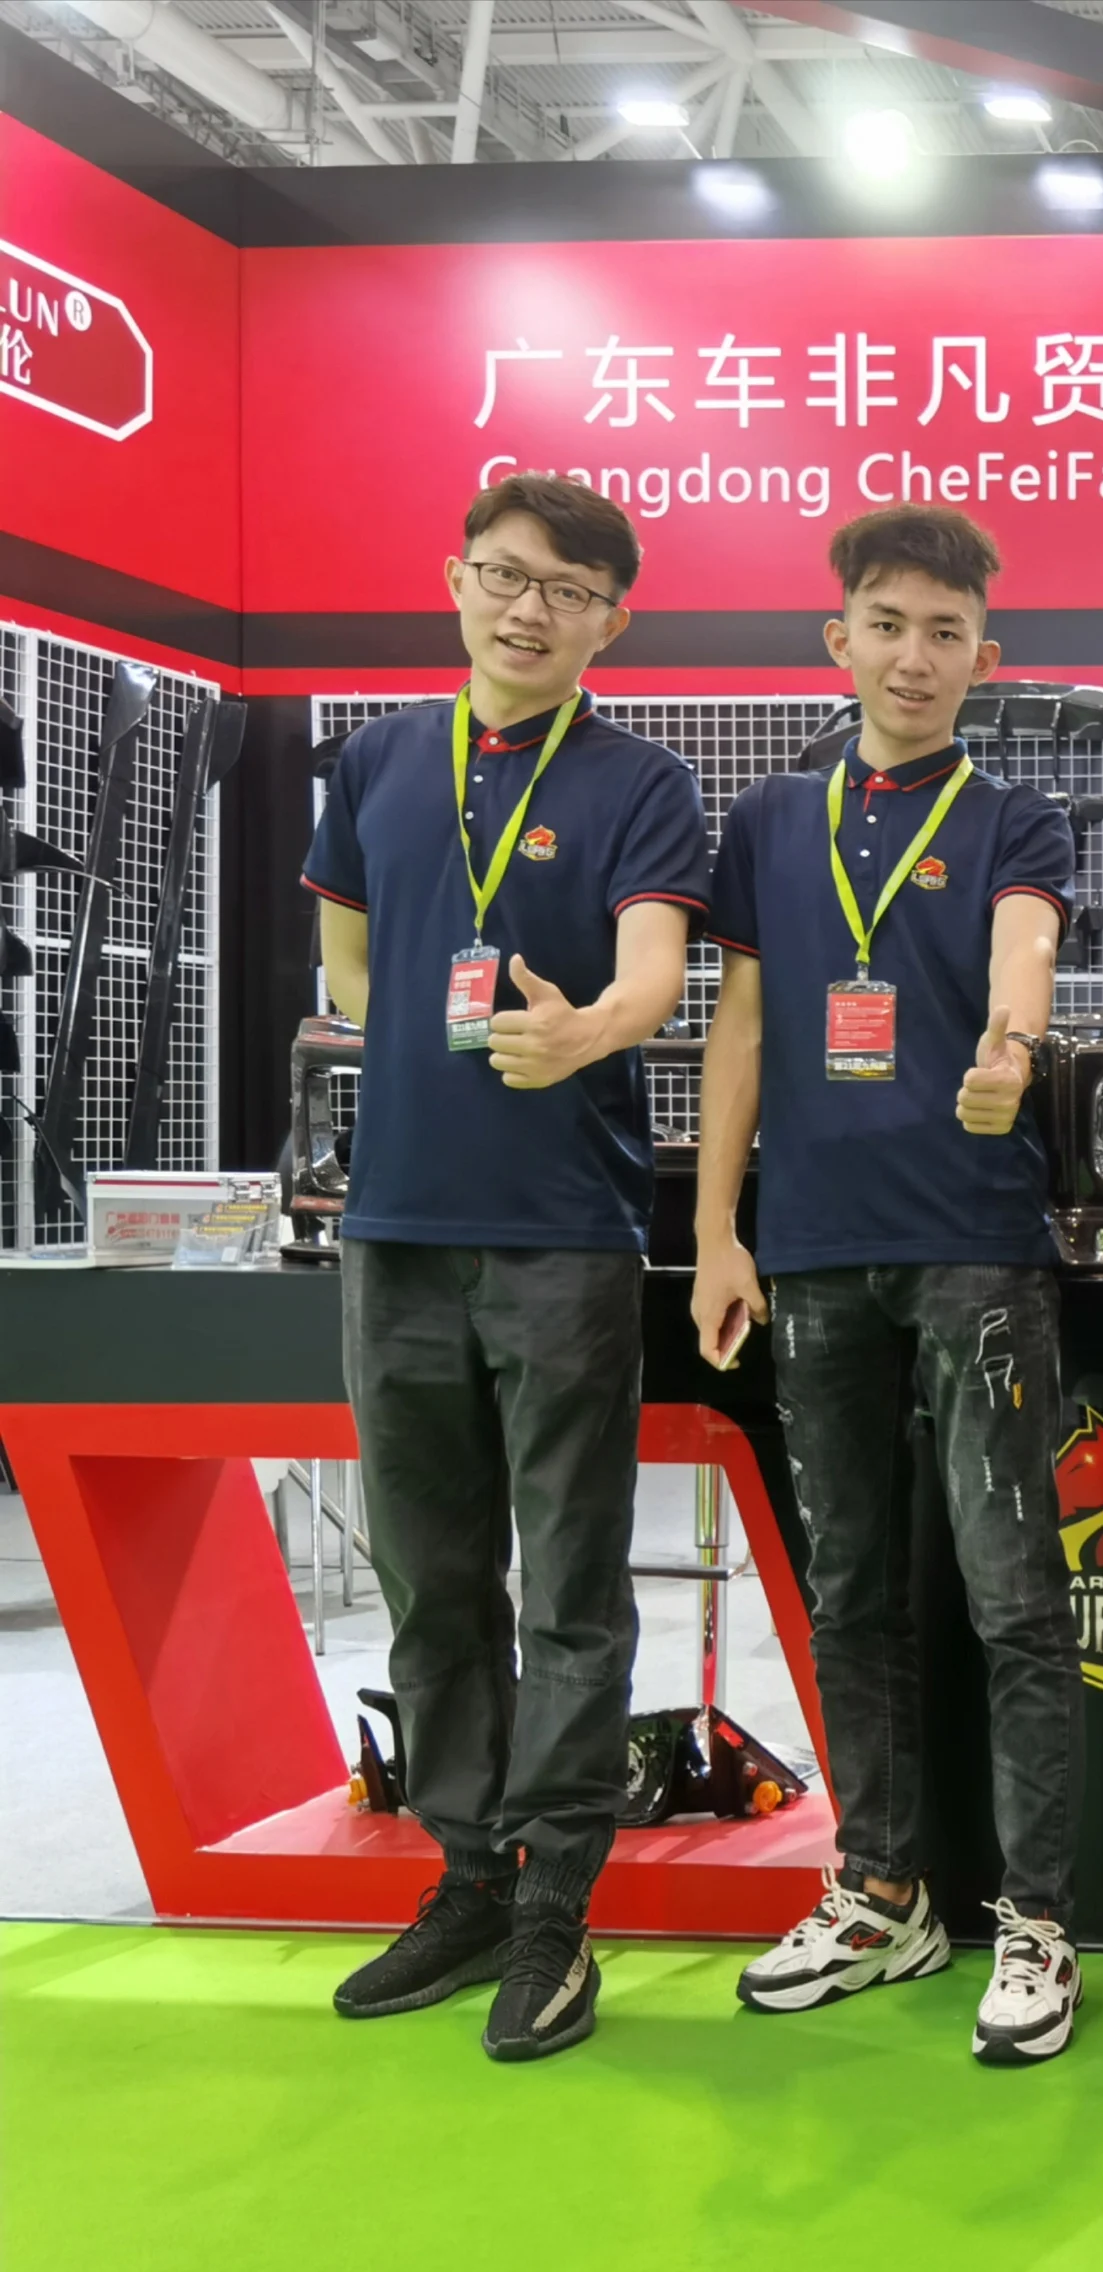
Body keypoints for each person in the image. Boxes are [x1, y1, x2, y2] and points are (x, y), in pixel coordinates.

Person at [309, 472, 709, 2062]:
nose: (528, 609)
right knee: (429, 1574)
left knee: (573, 1580)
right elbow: (349, 961)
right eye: (505, 574)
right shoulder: (378, 761)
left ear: (613, 620)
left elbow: (655, 976)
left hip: (563, 1231)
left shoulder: (640, 781)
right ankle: (470, 1875)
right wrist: (426, 1036)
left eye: (567, 590)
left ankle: (558, 1903)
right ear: (456, 578)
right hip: (396, 1225)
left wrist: (584, 1032)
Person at [691, 506, 1089, 2065]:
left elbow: (1023, 955)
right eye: (888, 625)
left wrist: (1009, 1049)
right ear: (838, 640)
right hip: (811, 1256)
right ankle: (880, 1891)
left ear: (985, 656)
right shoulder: (768, 825)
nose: (914, 657)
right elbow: (739, 1028)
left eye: (945, 632)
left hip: (973, 1248)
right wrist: (720, 1230)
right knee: (849, 1588)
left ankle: (1038, 1918)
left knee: (1014, 1595)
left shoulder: (1015, 820)